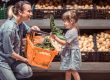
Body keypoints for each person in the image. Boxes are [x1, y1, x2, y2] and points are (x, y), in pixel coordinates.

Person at [0, 1, 40, 80]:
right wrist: (26, 60)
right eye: (29, 11)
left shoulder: (20, 23)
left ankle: (7, 75)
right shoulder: (9, 29)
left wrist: (33, 28)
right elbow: (9, 52)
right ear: (20, 12)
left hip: (13, 60)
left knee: (28, 72)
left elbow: (28, 30)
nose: (31, 14)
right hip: (3, 61)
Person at [50, 10, 81, 80]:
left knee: (73, 70)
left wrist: (55, 38)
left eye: (65, 21)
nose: (64, 23)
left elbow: (64, 43)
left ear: (71, 21)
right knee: (68, 70)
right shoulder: (71, 30)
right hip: (69, 52)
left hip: (72, 53)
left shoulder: (72, 32)